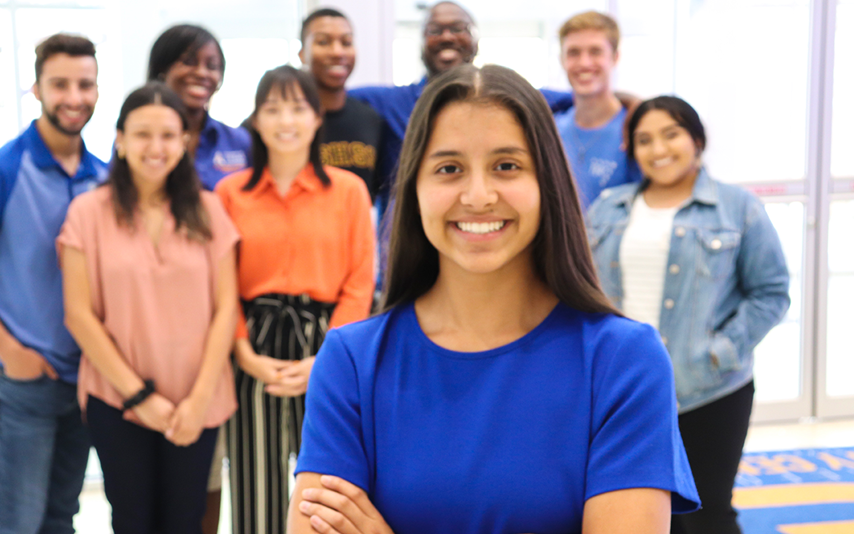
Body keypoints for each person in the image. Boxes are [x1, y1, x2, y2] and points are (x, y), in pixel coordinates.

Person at [287, 64, 699, 534]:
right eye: (449, 168)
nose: (478, 196)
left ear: (548, 184)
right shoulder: (351, 361)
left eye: (507, 166)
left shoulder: (624, 360)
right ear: (415, 188)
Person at [586, 96, 790, 534]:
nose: (658, 148)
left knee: (708, 515)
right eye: (644, 139)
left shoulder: (738, 207)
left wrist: (720, 351)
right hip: (623, 389)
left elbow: (771, 293)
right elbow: (581, 288)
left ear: (696, 140)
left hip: (708, 389)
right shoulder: (607, 208)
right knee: (636, 512)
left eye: (671, 133)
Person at [0, 33, 105, 534]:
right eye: (59, 84)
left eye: (85, 84)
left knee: (61, 518)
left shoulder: (105, 176)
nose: (73, 97)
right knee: (19, 523)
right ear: (35, 88)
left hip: (82, 381)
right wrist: (11, 351)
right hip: (19, 382)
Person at [58, 82, 239, 534]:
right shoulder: (87, 213)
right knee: (132, 519)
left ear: (184, 143)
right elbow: (79, 315)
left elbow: (226, 309)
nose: (154, 147)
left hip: (197, 398)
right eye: (141, 134)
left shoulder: (210, 210)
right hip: (116, 399)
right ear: (119, 139)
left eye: (167, 135)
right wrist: (139, 397)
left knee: (185, 519)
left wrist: (197, 401)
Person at [215, 65, 374, 534]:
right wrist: (244, 353)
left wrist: (326, 358)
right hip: (251, 343)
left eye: (298, 107)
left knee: (327, 484)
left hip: (329, 341)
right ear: (257, 121)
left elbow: (359, 283)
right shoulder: (230, 193)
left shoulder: (348, 191)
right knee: (253, 482)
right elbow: (220, 286)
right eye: (273, 108)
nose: (286, 119)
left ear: (316, 117)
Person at [348, 1, 573, 215]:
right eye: (435, 30)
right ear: (421, 43)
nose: (447, 36)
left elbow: (572, 100)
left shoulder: (505, 99)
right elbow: (332, 97)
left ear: (476, 40)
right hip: (404, 245)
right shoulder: (390, 103)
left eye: (459, 28)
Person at [149, 24, 251, 190]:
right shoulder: (139, 137)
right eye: (189, 62)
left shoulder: (239, 141)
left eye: (212, 66)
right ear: (162, 69)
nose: (202, 73)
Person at [555, 11, 642, 208]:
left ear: (615, 57)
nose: (584, 63)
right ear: (562, 60)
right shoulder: (551, 129)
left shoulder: (635, 131)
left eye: (595, 51)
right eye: (574, 53)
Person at [299, 8, 385, 203]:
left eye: (346, 42)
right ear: (302, 54)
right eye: (323, 42)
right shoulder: (285, 124)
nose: (337, 52)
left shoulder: (371, 120)